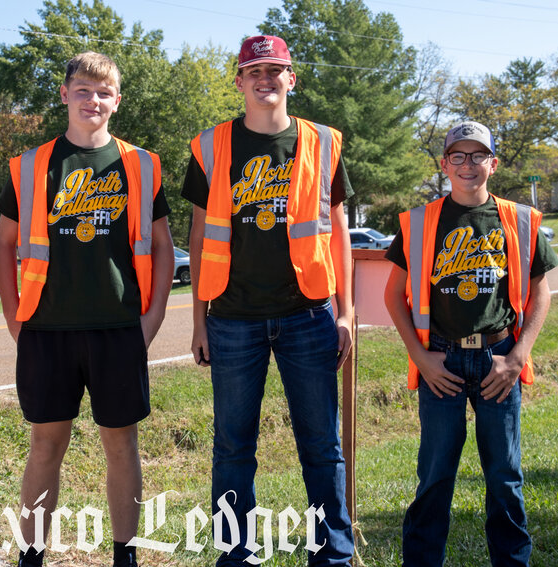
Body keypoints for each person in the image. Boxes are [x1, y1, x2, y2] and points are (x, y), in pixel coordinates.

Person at [0, 51, 174, 567]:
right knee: (45, 446)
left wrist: (153, 316)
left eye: (103, 91)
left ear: (117, 101)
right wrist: (14, 317)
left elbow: (162, 245)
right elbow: (3, 244)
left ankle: (126, 555)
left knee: (122, 445)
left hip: (118, 327)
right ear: (65, 94)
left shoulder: (141, 164)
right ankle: (32, 556)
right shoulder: (31, 166)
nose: (92, 99)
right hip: (47, 329)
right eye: (82, 89)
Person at [182, 35, 355, 566]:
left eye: (274, 69)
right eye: (253, 71)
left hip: (308, 314)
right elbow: (196, 235)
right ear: (238, 82)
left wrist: (347, 313)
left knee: (322, 448)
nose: (264, 79)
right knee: (233, 448)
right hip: (232, 318)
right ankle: (236, 556)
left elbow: (339, 232)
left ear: (291, 79)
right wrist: (198, 320)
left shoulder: (323, 141)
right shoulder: (210, 146)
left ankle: (333, 555)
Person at [384, 121, 558, 567]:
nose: (468, 165)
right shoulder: (420, 222)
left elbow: (541, 292)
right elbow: (393, 295)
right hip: (441, 361)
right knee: (435, 476)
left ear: (493, 164)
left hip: (499, 361)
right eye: (458, 156)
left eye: (477, 155)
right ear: (444, 164)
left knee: (504, 477)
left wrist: (517, 357)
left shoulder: (519, 220)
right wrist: (421, 358)